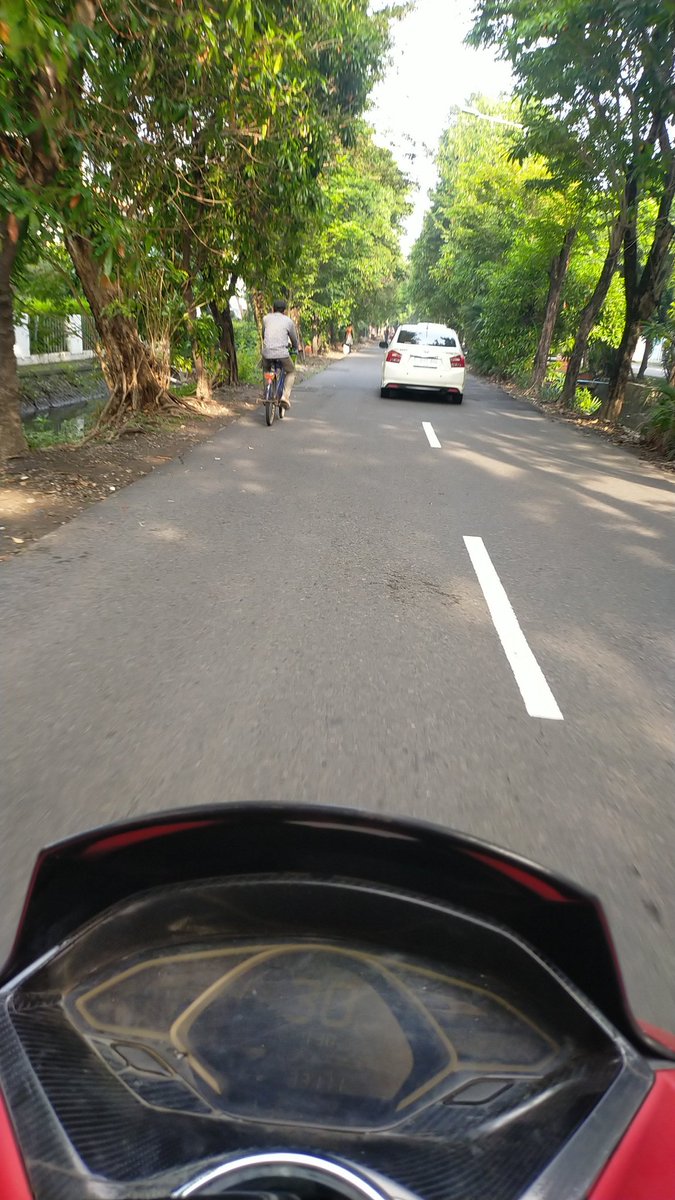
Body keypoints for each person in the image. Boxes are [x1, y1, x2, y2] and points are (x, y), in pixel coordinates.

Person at [262, 300, 300, 410]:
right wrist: (295, 347)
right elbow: (294, 339)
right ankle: (285, 397)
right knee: (291, 371)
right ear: (284, 311)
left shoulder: (266, 319)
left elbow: (263, 334)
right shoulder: (288, 321)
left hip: (267, 352)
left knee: (266, 369)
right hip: (282, 353)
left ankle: (266, 391)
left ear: (273, 309)